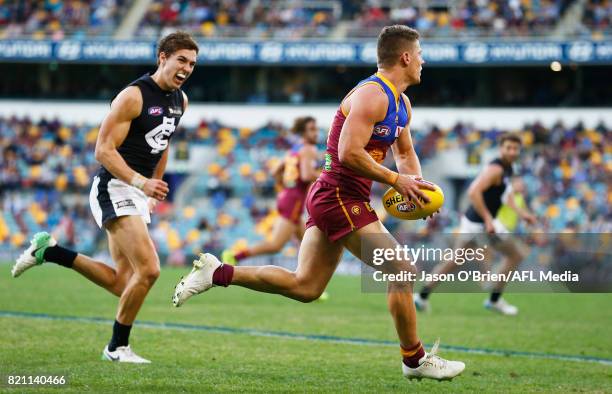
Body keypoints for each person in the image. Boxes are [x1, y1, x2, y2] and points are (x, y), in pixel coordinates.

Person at [173, 25, 465, 381]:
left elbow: (405, 154)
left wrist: (416, 187)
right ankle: (415, 360)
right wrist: (395, 181)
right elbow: (348, 153)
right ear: (405, 57)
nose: (423, 61)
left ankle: (217, 272)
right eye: (419, 54)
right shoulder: (373, 95)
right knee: (402, 270)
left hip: (339, 197)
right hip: (338, 195)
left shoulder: (402, 103)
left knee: (306, 287)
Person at [11, 31, 199, 363]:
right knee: (151, 270)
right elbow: (103, 150)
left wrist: (153, 186)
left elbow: (163, 142)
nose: (186, 68)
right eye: (181, 59)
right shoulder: (133, 96)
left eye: (193, 63)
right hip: (114, 186)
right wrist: (142, 182)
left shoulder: (180, 100)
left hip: (137, 190)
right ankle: (116, 347)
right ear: (163, 58)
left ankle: (50, 251)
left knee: (121, 282)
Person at [414, 134, 537, 315]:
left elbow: (507, 195)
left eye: (515, 148)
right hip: (482, 223)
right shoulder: (496, 169)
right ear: (501, 148)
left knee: (454, 261)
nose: (512, 151)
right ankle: (494, 299)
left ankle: (422, 296)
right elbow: (473, 192)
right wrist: (488, 219)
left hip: (473, 222)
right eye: (508, 147)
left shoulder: (507, 168)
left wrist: (523, 214)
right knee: (515, 255)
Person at [222, 116, 320, 265]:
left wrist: (285, 187)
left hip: (287, 196)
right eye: (312, 129)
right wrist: (328, 176)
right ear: (303, 132)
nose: (316, 133)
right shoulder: (308, 149)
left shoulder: (295, 149)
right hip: (294, 199)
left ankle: (314, 285)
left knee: (307, 245)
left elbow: (276, 171)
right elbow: (307, 175)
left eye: (316, 129)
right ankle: (235, 256)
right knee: (276, 245)